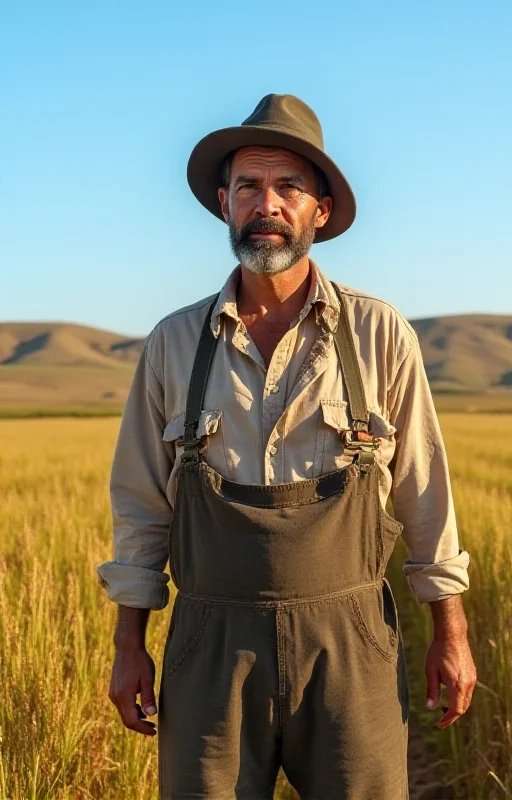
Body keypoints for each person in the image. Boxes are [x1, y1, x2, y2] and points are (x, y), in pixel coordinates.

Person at [97, 93, 476, 800]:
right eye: (247, 187)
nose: (265, 203)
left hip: (351, 643)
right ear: (224, 204)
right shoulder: (174, 344)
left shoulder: (379, 334)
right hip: (209, 645)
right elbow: (142, 505)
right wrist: (128, 645)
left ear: (320, 211)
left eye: (288, 187)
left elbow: (424, 490)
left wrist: (449, 631)